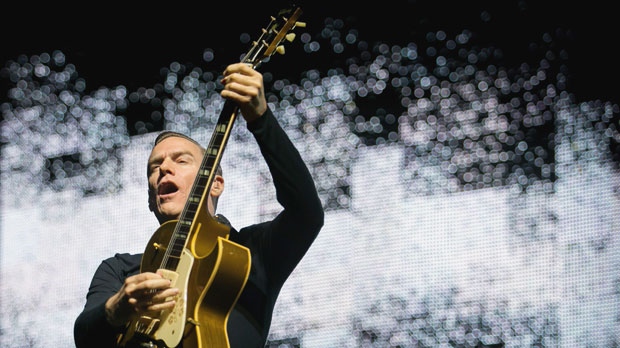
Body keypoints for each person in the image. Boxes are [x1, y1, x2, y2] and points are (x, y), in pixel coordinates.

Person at [74, 62, 325, 348]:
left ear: (215, 183)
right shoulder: (122, 270)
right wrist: (117, 308)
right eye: (154, 167)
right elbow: (84, 338)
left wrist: (260, 119)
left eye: (180, 160)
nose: (164, 168)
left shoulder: (251, 252)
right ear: (149, 198)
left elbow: (306, 213)